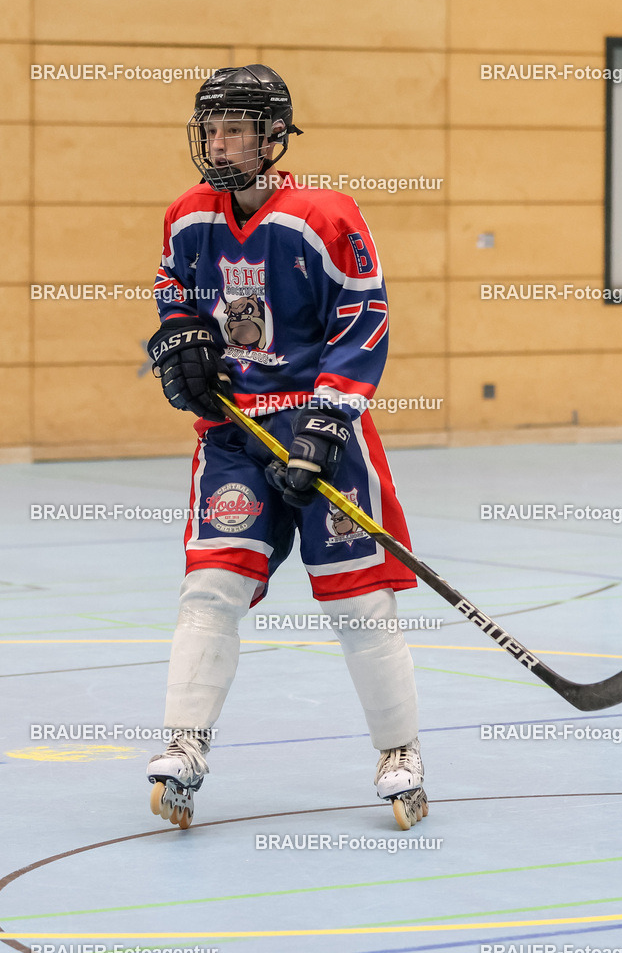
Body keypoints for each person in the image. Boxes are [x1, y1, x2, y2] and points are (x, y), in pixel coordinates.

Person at [145, 65, 428, 831]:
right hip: (237, 439)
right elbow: (174, 290)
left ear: (273, 138)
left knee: (359, 602)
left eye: (235, 127)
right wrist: (182, 343)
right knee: (210, 589)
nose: (219, 141)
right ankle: (185, 743)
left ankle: (398, 753)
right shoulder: (185, 216)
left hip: (318, 433)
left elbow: (364, 317)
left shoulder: (325, 215)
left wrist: (328, 425)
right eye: (211, 126)